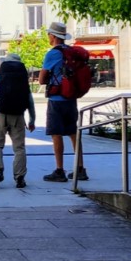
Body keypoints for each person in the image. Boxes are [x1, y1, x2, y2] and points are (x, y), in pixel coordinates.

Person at [40, 21, 88, 183]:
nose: (48, 36)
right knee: (74, 134)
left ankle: (59, 170)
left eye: (48, 34)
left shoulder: (52, 54)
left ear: (53, 36)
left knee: (56, 134)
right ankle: (80, 169)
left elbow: (41, 79)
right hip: (71, 98)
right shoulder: (71, 52)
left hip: (56, 99)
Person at [0, 53, 36, 188]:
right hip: (18, 116)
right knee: (19, 148)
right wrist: (32, 119)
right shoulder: (22, 79)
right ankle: (19, 177)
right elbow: (29, 100)